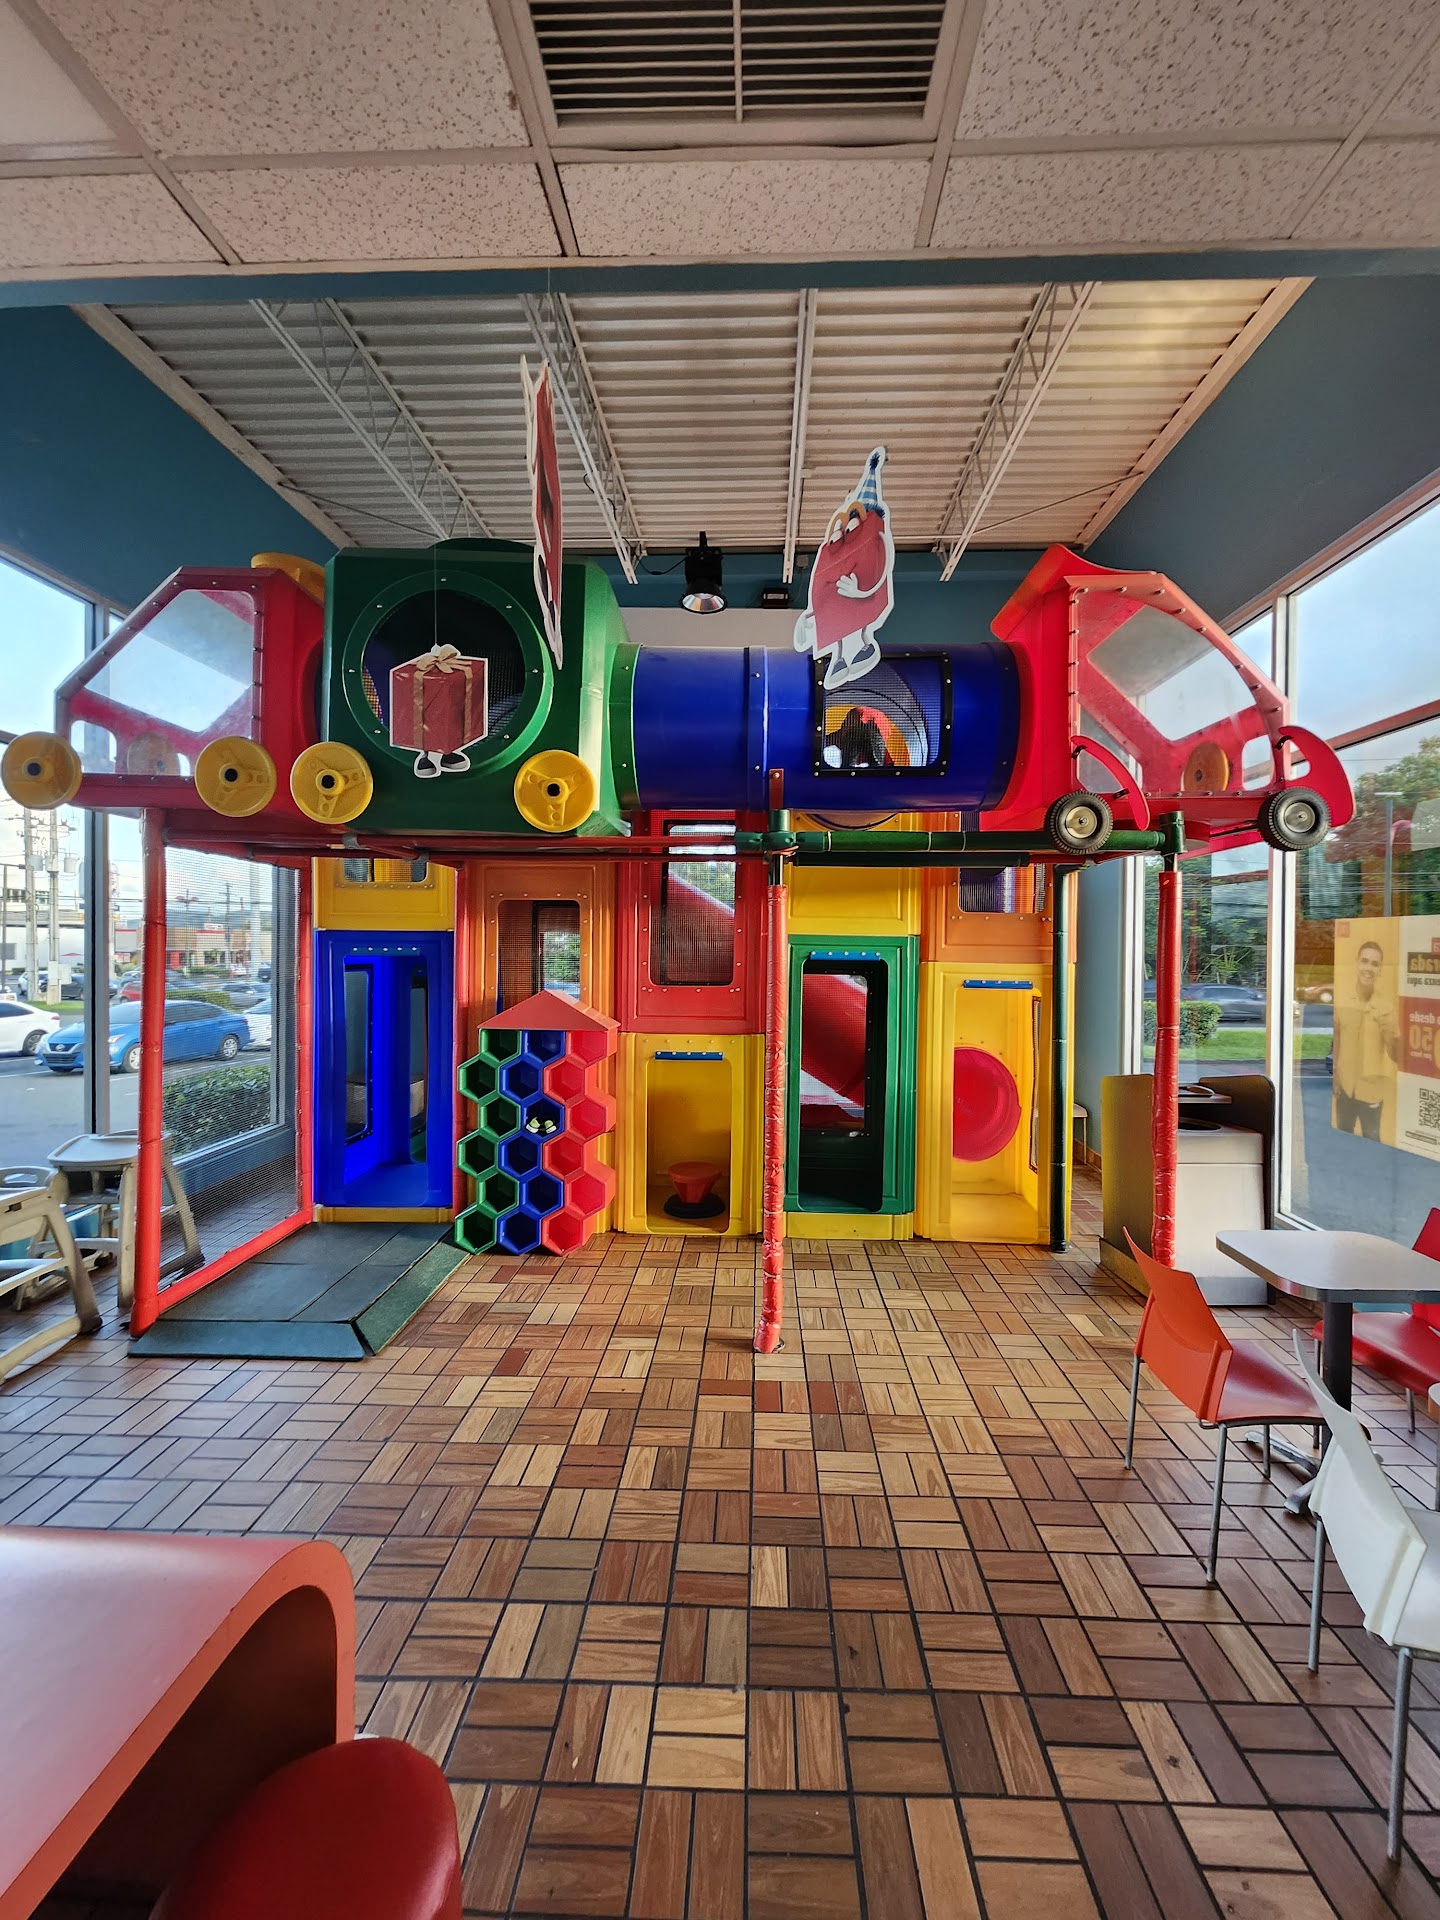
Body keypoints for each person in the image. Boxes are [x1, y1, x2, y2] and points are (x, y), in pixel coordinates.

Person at [1332, 937, 1400, 1139]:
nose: (1369, 968)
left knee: (1372, 1143)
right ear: (1356, 963)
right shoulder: (1343, 1001)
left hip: (1371, 1092)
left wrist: (1389, 1035)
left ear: (1380, 970)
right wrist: (1335, 1076)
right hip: (1345, 1089)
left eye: (1375, 964)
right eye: (1365, 961)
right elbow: (1337, 1038)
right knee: (1342, 1141)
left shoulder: (1386, 1007)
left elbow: (1396, 1055)